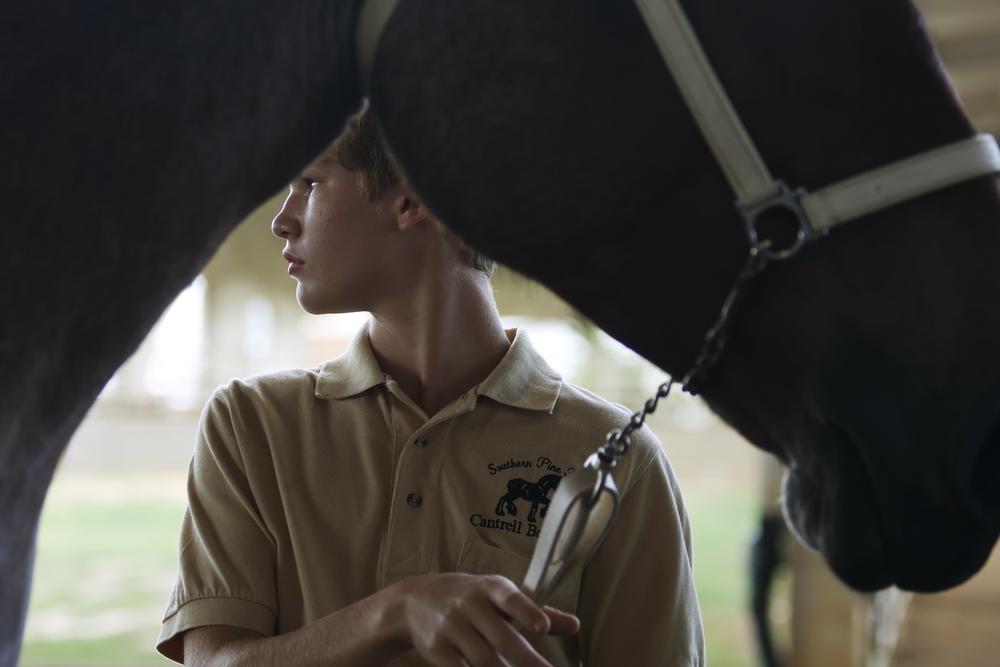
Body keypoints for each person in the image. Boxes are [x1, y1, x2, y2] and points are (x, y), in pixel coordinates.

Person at [156, 105, 705, 666]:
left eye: (310, 184)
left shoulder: (620, 460)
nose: (282, 219)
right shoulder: (251, 424)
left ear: (411, 200)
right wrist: (396, 612)